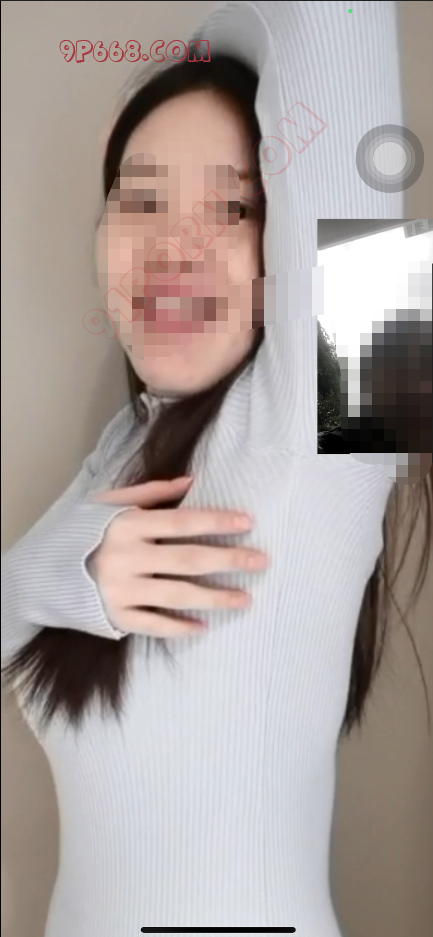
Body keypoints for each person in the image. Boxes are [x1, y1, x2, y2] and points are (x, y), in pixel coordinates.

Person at [2, 2, 431, 934]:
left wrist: (215, 43)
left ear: (285, 250)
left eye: (232, 207)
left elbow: (340, 34)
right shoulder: (122, 448)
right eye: (141, 199)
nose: (174, 247)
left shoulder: (331, 437)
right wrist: (57, 570)